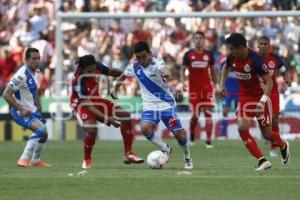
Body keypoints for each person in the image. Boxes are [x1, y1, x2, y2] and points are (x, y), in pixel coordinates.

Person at [111, 41, 193, 169]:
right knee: (145, 128)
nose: (141, 60)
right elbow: (122, 76)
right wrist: (114, 89)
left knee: (179, 134)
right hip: (150, 106)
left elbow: (164, 69)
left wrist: (166, 73)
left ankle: (187, 157)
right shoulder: (134, 67)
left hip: (166, 104)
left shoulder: (157, 63)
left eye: (144, 56)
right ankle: (166, 148)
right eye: (138, 57)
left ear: (149, 53)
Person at [219, 33, 290, 170]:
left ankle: (283, 145)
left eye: (233, 49)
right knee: (242, 128)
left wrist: (262, 102)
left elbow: (269, 82)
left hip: (261, 98)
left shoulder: (256, 60)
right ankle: (262, 160)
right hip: (245, 98)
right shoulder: (232, 57)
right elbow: (225, 68)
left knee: (268, 134)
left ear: (241, 47)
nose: (231, 52)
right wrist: (221, 85)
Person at [70, 55, 144, 169]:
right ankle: (87, 159)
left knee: (125, 115)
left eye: (94, 70)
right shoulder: (78, 81)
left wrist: (127, 74)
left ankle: (128, 154)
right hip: (82, 104)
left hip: (97, 100)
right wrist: (106, 118)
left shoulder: (97, 66)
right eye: (89, 71)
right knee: (92, 129)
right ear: (82, 69)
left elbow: (111, 72)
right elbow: (88, 105)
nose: (93, 73)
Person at [3, 47, 50, 167]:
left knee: (44, 135)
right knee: (41, 130)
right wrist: (21, 109)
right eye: (34, 59)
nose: (37, 61)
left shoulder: (36, 72)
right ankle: (23, 159)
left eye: (38, 58)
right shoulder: (21, 75)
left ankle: (35, 161)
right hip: (20, 112)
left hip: (33, 110)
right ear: (26, 60)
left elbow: (35, 91)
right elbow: (6, 94)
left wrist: (39, 108)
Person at [181, 31, 219, 148]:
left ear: (204, 40)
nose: (198, 40)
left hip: (207, 89)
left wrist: (217, 85)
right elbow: (182, 70)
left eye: (200, 38)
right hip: (194, 90)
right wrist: (183, 82)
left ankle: (208, 140)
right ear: (193, 40)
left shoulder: (209, 55)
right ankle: (192, 133)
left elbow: (212, 71)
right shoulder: (188, 55)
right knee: (195, 116)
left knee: (208, 114)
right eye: (196, 38)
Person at [257, 35, 288, 157]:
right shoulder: (253, 58)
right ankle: (267, 135)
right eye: (261, 44)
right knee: (262, 121)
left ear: (269, 46)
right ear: (257, 45)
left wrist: (287, 81)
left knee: (274, 120)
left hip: (273, 93)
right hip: (258, 93)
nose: (263, 46)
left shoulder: (275, 58)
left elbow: (284, 70)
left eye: (265, 44)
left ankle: (273, 147)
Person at [219, 62, 239, 139]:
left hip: (239, 90)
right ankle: (223, 134)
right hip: (228, 90)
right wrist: (221, 86)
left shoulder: (242, 62)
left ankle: (242, 133)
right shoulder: (225, 63)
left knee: (240, 113)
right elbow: (221, 75)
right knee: (225, 111)